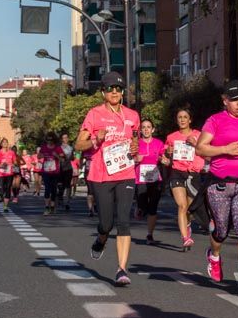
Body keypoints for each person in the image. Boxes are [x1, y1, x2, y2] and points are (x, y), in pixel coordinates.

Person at [195, 82, 238, 294]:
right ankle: (214, 255)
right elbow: (200, 148)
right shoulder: (215, 121)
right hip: (219, 184)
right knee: (221, 230)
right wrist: (224, 149)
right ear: (225, 101)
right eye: (235, 100)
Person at [75, 71, 141, 286]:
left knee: (123, 222)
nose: (114, 92)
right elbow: (78, 145)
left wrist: (134, 147)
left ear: (122, 92)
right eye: (110, 89)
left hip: (126, 174)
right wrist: (95, 139)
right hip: (101, 175)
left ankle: (122, 269)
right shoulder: (94, 114)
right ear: (103, 92)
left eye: (118, 89)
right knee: (106, 223)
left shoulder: (132, 116)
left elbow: (135, 141)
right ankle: (101, 239)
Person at [161, 107, 204, 250]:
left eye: (185, 117)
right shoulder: (171, 137)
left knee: (190, 208)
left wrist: (196, 144)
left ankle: (188, 224)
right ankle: (185, 238)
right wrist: (167, 153)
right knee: (181, 206)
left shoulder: (199, 135)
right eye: (179, 117)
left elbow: (207, 152)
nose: (182, 120)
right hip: (177, 172)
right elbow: (165, 158)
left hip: (193, 174)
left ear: (190, 120)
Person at [134, 119, 166, 244]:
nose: (146, 129)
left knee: (153, 208)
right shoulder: (136, 143)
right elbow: (129, 159)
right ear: (140, 130)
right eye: (144, 127)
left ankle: (149, 234)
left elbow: (164, 156)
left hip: (155, 179)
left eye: (148, 127)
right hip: (140, 179)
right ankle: (139, 207)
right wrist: (136, 159)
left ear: (153, 129)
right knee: (143, 206)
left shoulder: (159, 143)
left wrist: (163, 158)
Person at [38, 133, 67, 215]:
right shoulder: (43, 147)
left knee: (53, 189)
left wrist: (57, 156)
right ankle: (47, 207)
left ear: (54, 140)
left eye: (51, 140)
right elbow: (38, 156)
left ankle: (53, 206)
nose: (49, 141)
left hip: (55, 172)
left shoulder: (58, 148)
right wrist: (41, 155)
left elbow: (63, 160)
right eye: (48, 140)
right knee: (47, 188)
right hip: (46, 171)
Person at [0, 138, 18, 212]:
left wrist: (13, 164)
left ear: (7, 144)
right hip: (0, 174)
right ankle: (0, 194)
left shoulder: (11, 152)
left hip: (9, 173)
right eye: (3, 142)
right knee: (2, 188)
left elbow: (15, 162)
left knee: (8, 188)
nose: (5, 144)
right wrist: (1, 165)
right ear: (1, 144)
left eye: (6, 142)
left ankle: (5, 206)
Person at [58, 131, 75, 211]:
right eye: (64, 138)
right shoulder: (59, 148)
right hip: (60, 168)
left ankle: (67, 202)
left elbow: (72, 158)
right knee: (61, 185)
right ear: (61, 139)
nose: (66, 139)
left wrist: (71, 156)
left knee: (68, 185)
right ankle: (60, 196)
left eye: (67, 137)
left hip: (68, 168)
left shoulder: (71, 148)